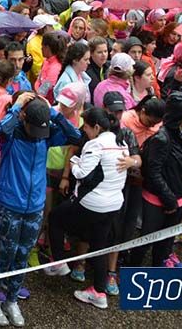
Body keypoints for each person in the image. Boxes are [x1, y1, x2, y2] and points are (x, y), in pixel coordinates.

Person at [0, 94, 82, 327]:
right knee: (5, 255)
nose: (37, 134)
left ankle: (11, 300)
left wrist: (53, 112)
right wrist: (17, 107)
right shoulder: (12, 135)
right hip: (9, 204)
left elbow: (75, 135)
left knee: (22, 256)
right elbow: (1, 128)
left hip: (35, 207)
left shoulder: (44, 136)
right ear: (24, 118)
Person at [45, 108, 129, 310]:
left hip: (93, 202)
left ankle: (58, 262)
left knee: (56, 218)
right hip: (113, 203)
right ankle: (99, 292)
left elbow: (82, 172)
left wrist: (74, 160)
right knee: (99, 246)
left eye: (87, 127)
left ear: (97, 127)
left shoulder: (96, 144)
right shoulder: (121, 143)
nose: (84, 131)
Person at [127, 92, 182, 267]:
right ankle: (134, 268)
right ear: (179, 115)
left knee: (167, 239)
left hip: (177, 195)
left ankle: (159, 265)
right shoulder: (161, 138)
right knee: (147, 238)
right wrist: (169, 199)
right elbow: (153, 172)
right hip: (157, 199)